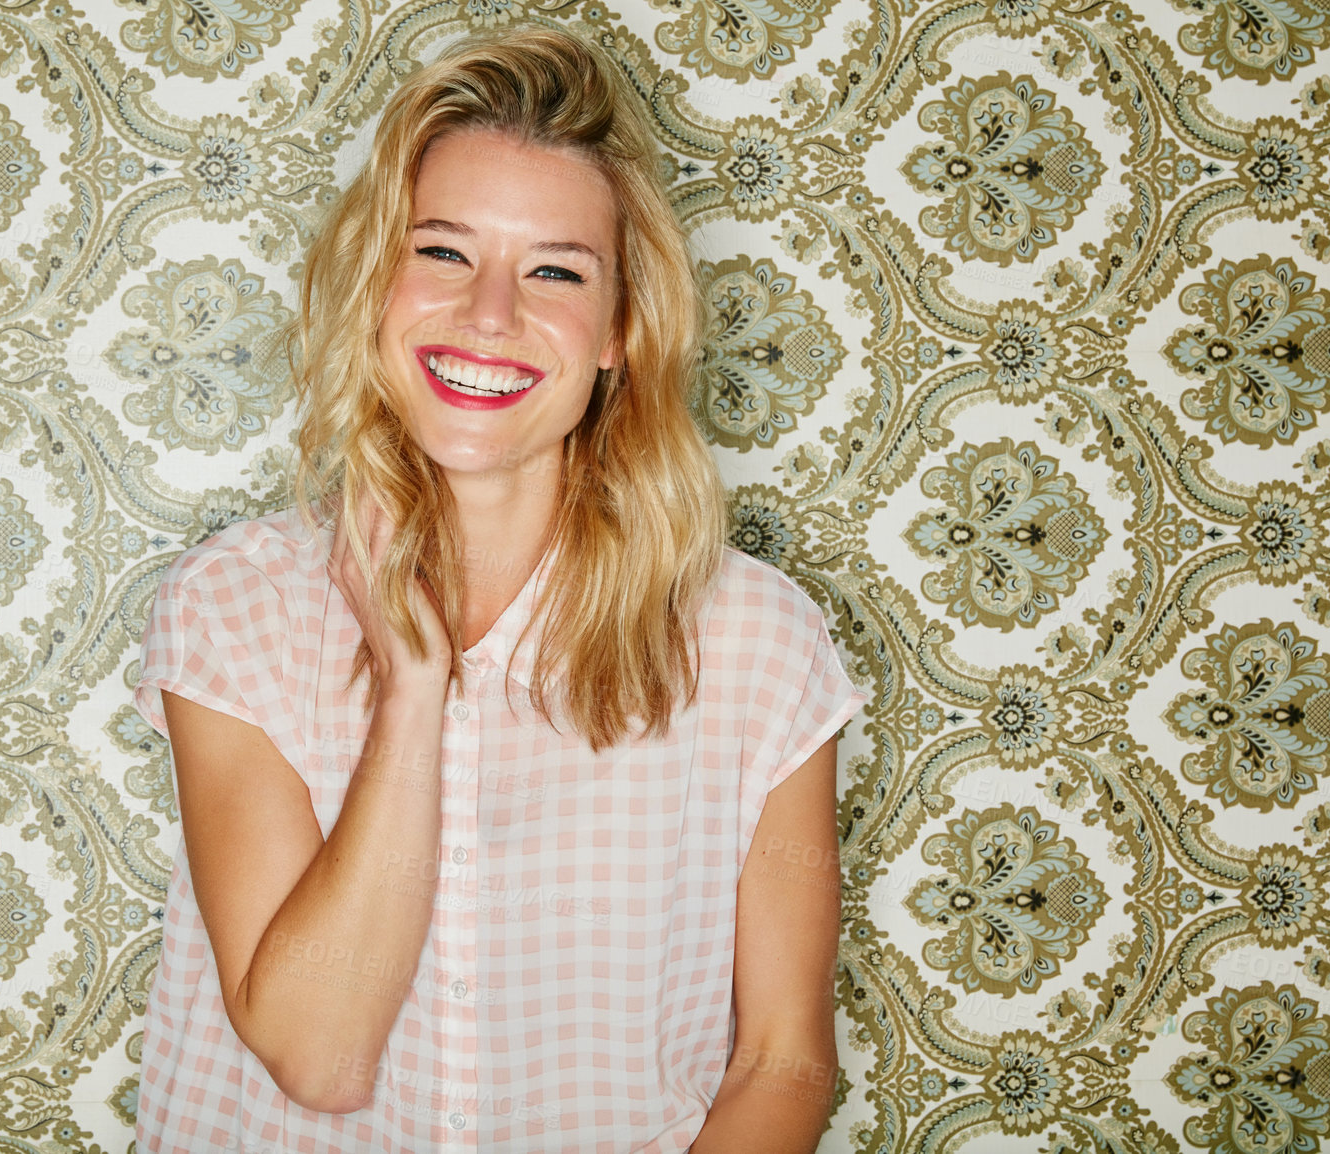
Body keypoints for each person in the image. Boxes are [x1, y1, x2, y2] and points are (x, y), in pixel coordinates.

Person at [131, 25, 868, 1154]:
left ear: (620, 327)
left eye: (556, 271)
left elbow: (784, 1057)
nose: (488, 314)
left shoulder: (757, 640)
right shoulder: (232, 607)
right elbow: (318, 1055)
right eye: (442, 252)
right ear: (378, 283)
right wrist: (414, 685)